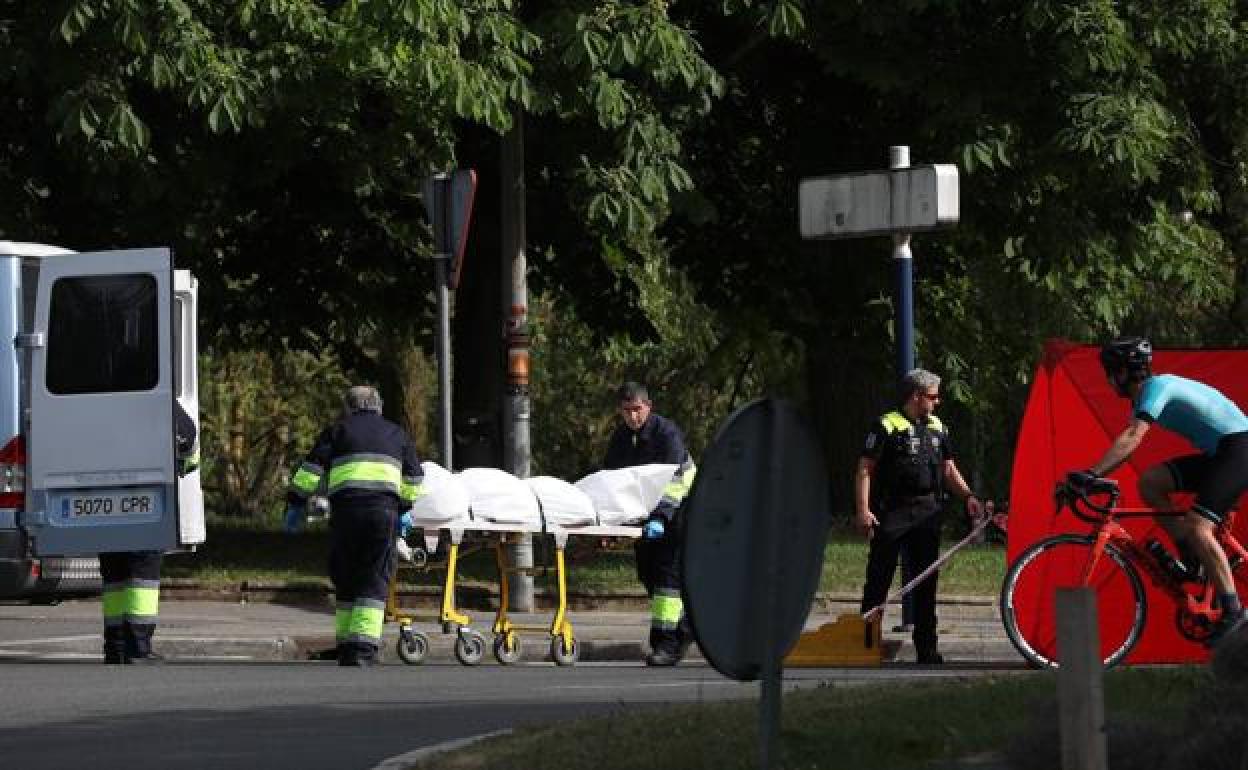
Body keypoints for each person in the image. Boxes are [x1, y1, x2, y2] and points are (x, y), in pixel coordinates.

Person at [1066, 336, 1248, 646]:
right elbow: (1128, 442)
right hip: (1221, 451)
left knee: (1199, 527)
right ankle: (1190, 553)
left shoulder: (1157, 388)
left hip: (1239, 448)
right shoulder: (1145, 397)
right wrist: (1091, 475)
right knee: (1150, 483)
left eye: (1111, 372)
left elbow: (1132, 437)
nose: (1109, 381)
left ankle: (1234, 612)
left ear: (1124, 373)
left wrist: (1091, 474)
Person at [285, 385, 424, 666]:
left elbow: (311, 471)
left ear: (348, 408)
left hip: (346, 513)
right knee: (373, 577)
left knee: (346, 575)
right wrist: (405, 509)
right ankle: (363, 648)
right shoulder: (397, 434)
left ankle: (348, 644)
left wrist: (296, 502)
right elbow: (414, 479)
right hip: (382, 514)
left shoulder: (337, 431)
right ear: (378, 406)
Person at [856, 368, 983, 664]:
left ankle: (927, 647)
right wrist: (863, 510)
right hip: (893, 511)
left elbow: (949, 469)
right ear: (916, 396)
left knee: (926, 581)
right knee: (879, 578)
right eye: (933, 397)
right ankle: (865, 643)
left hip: (928, 512)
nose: (937, 402)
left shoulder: (938, 426)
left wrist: (969, 497)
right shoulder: (887, 425)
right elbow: (865, 469)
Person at [603, 382, 697, 666]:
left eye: (637, 409)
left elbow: (677, 481)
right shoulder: (621, 438)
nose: (633, 416)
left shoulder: (666, 434)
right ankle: (687, 628)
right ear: (620, 411)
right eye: (627, 411)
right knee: (648, 575)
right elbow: (613, 482)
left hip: (679, 513)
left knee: (667, 580)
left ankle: (665, 646)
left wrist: (660, 517)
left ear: (649, 406)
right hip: (647, 519)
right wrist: (610, 522)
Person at [101, 400, 199, 664]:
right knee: (142, 574)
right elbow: (187, 435)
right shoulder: (154, 395)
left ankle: (116, 646)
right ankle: (138, 648)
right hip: (143, 499)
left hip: (104, 504)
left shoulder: (96, 401)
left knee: (114, 577)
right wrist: (184, 463)